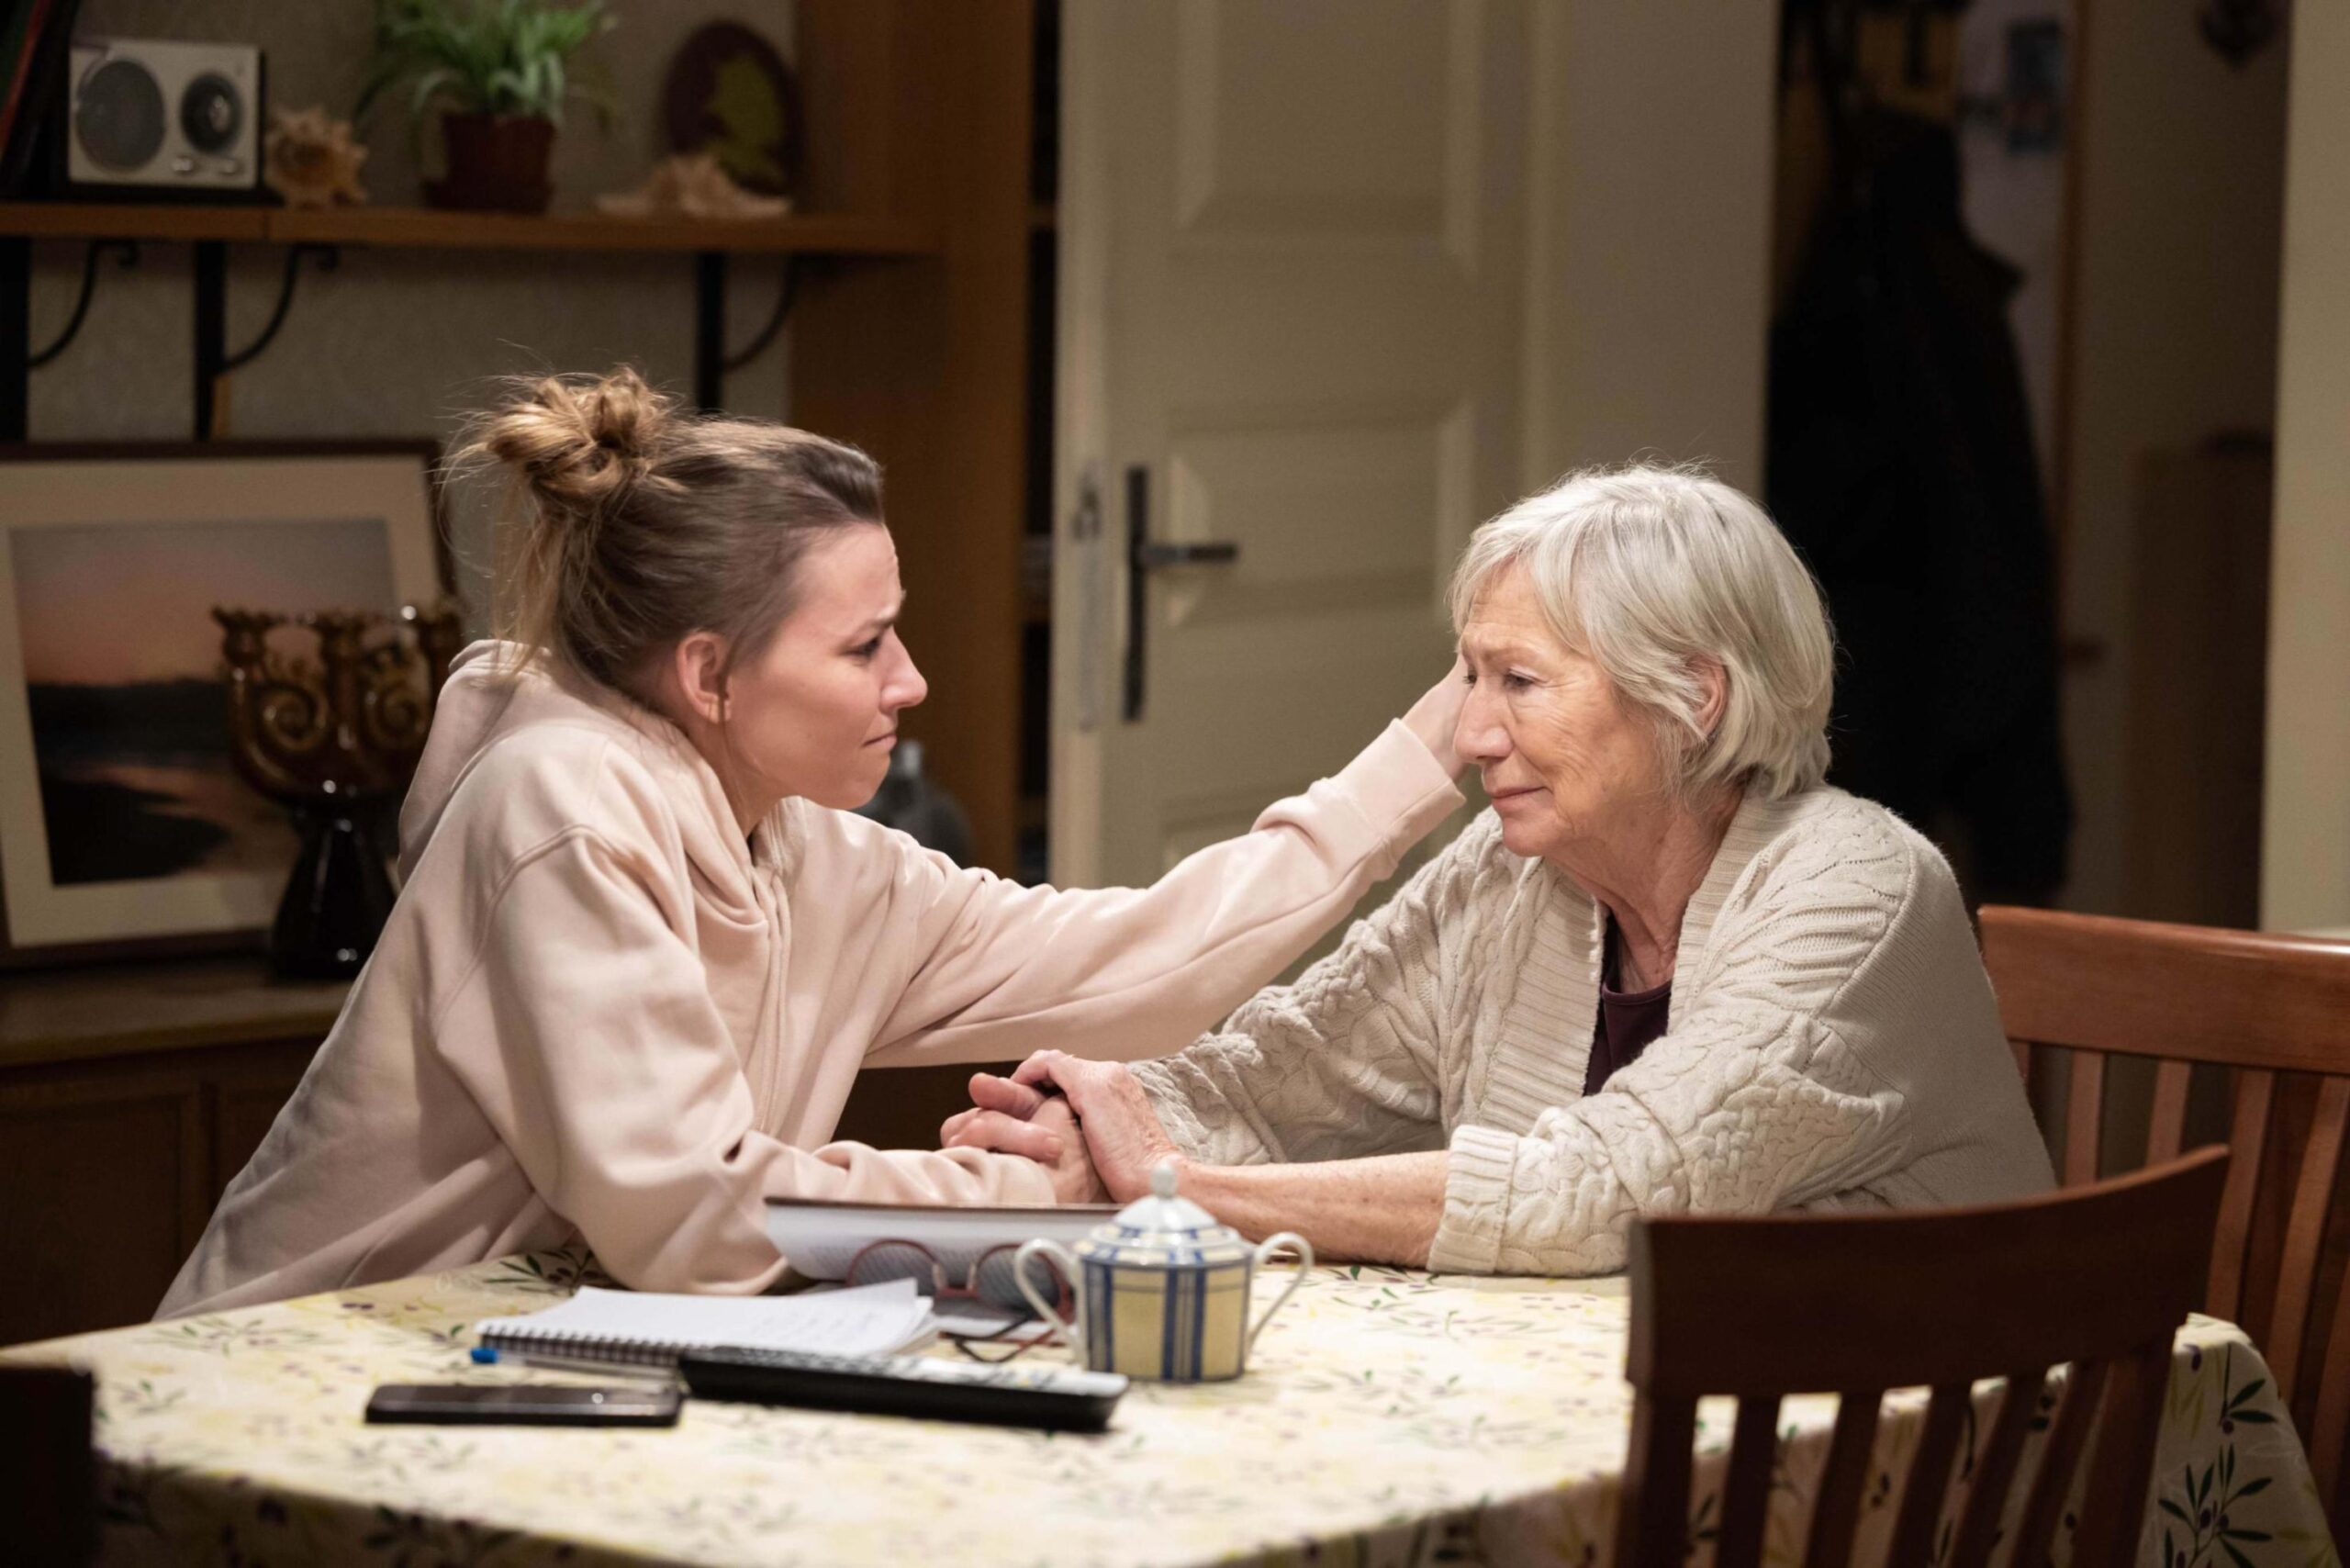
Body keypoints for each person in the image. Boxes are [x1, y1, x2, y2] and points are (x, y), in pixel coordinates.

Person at [157, 367, 1468, 1318]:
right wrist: (1029, 1191)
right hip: (292, 1372)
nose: (911, 681)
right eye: (863, 646)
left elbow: (1144, 964)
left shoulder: (803, 849)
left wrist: (1425, 752)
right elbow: (704, 1225)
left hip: (523, 1367)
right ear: (709, 674)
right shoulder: (559, 812)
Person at [946, 465, 2055, 1276]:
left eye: (1518, 682)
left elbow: (1608, 1189)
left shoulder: (1857, 888)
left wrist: (1178, 1185)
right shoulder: (1516, 869)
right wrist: (1086, 1129)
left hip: (1911, 1445)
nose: (1472, 735)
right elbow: (1277, 1079)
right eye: (1470, 679)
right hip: (1630, 1416)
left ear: (1693, 696)